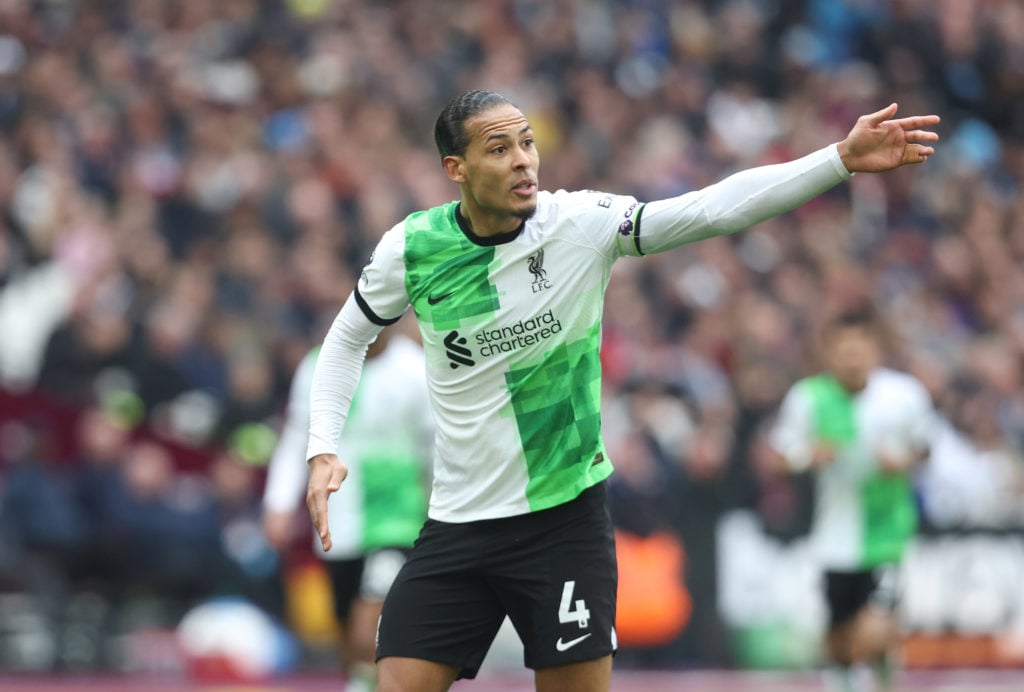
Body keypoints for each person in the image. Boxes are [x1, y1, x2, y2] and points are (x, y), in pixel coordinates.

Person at [304, 89, 940, 692]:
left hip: (562, 523)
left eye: (527, 143)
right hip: (457, 523)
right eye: (499, 149)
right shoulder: (413, 248)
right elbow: (344, 339)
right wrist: (322, 446)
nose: (523, 159)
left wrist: (838, 161)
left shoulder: (578, 225)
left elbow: (711, 208)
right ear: (456, 168)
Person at [767, 310, 936, 691]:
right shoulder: (808, 397)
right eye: (844, 350)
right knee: (841, 643)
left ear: (875, 351)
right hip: (834, 538)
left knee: (873, 631)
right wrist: (809, 456)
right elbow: (779, 457)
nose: (852, 358)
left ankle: (882, 667)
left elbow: (925, 449)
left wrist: (903, 461)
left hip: (886, 535)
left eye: (860, 349)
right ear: (829, 354)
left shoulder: (904, 396)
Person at [263, 326, 432, 692]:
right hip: (336, 523)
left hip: (397, 521)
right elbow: (297, 435)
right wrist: (277, 503)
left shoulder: (414, 368)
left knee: (367, 626)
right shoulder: (319, 365)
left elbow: (432, 446)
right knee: (345, 634)